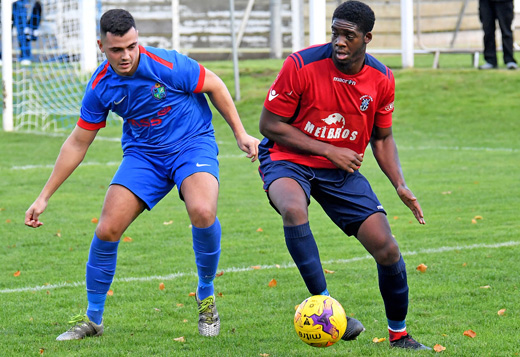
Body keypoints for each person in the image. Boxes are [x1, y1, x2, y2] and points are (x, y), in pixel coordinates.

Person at [25, 9, 259, 340]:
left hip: (191, 145)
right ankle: (93, 319)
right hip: (144, 155)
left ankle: (206, 295)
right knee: (107, 228)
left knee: (203, 210)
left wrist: (240, 133)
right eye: (117, 49)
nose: (126, 55)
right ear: (101, 47)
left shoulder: (167, 65)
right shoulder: (100, 86)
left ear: (138, 41)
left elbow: (215, 85)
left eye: (132, 46)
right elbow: (78, 142)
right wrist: (44, 196)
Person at [257, 0, 431, 350]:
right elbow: (269, 125)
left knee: (387, 249)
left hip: (340, 170)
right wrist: (327, 149)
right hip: (287, 158)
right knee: (293, 208)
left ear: (366, 37)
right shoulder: (301, 64)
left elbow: (382, 138)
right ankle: (326, 307)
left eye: (347, 35)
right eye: (334, 32)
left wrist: (399, 183)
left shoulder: (381, 78)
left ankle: (399, 335)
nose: (338, 41)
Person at [0, 0, 42, 66]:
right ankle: (2, 57)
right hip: (5, 3)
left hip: (20, 3)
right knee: (5, 31)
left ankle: (25, 57)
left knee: (23, 31)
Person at [478, 0, 518, 70]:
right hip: (486, 2)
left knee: (506, 32)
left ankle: (509, 60)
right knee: (488, 32)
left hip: (504, 2)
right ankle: (490, 60)